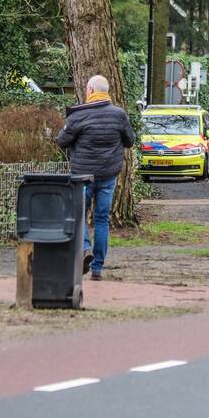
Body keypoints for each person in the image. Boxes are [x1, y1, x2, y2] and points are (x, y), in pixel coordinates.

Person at [57, 75, 134, 280]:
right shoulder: (120, 115)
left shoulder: (78, 116)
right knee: (102, 220)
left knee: (79, 215)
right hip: (108, 177)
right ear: (106, 91)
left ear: (90, 90)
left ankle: (85, 249)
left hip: (82, 177)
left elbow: (61, 141)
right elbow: (130, 141)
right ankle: (98, 268)